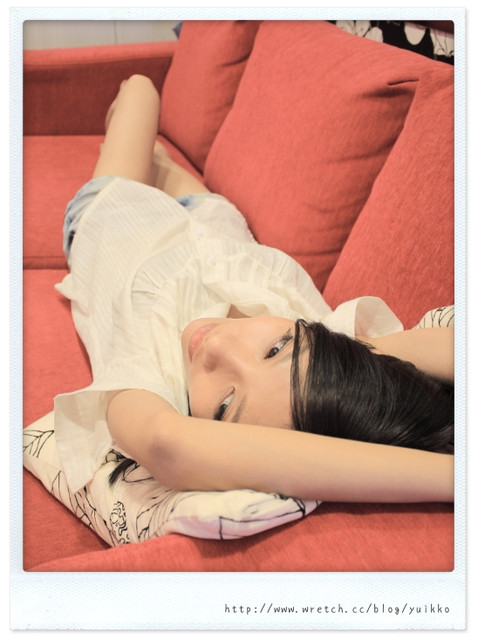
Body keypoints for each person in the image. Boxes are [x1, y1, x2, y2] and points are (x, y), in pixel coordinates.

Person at [54, 74, 454, 505]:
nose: (217, 347)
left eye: (225, 406)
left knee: (139, 90)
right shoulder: (328, 349)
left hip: (120, 211)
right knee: (153, 145)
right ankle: (149, 156)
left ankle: (138, 153)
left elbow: (167, 443)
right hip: (211, 214)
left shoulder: (153, 375)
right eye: (275, 349)